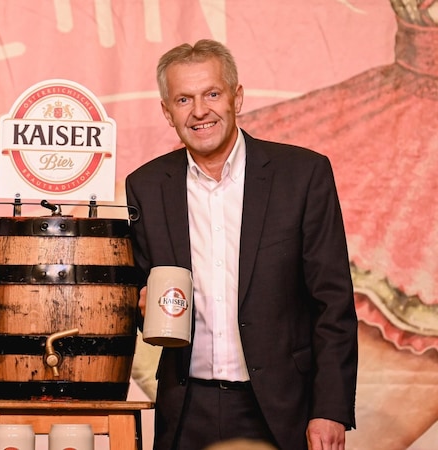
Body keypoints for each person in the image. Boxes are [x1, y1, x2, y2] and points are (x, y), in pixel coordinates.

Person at [125, 39, 358, 450]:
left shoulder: (303, 175)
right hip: (184, 409)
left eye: (212, 93)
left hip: (283, 410)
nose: (200, 111)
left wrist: (330, 409)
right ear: (167, 112)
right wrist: (142, 306)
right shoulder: (144, 186)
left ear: (237, 97)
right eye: (183, 99)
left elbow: (333, 304)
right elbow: (144, 297)